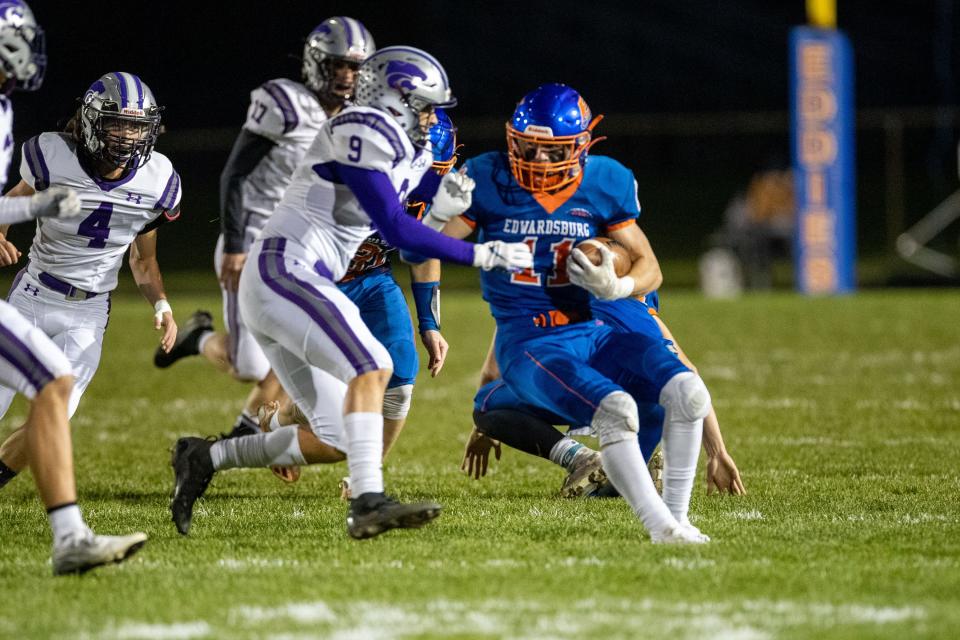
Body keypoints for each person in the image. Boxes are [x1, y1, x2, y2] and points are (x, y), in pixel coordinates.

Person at [168, 46, 533, 540]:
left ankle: (205, 456)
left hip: (294, 279)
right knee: (373, 366)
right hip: (287, 269)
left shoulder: (405, 147)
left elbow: (404, 231)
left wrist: (438, 213)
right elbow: (395, 228)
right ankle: (367, 502)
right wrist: (481, 255)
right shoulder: (359, 128)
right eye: (424, 106)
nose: (430, 118)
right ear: (393, 98)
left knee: (338, 438)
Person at [426, 83, 712, 543]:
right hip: (532, 341)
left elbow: (650, 266)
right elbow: (421, 247)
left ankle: (680, 521)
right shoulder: (487, 178)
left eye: (550, 149)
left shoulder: (604, 181)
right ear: (513, 141)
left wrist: (619, 284)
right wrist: (435, 219)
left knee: (690, 393)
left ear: (579, 148)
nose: (538, 160)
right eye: (530, 147)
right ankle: (661, 530)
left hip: (596, 330)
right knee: (616, 409)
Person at [154, 17, 376, 442]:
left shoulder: (357, 118)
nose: (347, 76)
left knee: (295, 341)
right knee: (249, 367)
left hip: (303, 247)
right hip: (255, 241)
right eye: (338, 66)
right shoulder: (285, 103)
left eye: (354, 68)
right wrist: (235, 245)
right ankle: (198, 337)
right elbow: (234, 175)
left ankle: (247, 431)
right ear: (316, 64)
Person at [0, 1, 147, 575]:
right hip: (36, 292)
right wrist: (35, 204)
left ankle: (70, 538)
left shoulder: (7, 111)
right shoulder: (36, 141)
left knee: (53, 384)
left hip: (88, 307)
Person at [0, 71, 182, 485]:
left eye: (138, 128)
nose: (127, 137)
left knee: (52, 420)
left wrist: (163, 306)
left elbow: (143, 260)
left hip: (87, 313)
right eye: (118, 124)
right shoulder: (53, 155)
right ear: (89, 121)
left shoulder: (158, 180)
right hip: (31, 296)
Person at [461, 292, 746, 498]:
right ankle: (637, 465)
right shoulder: (636, 298)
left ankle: (581, 458)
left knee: (488, 405)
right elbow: (688, 374)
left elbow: (492, 373)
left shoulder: (534, 283)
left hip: (576, 391)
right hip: (644, 411)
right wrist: (717, 452)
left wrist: (484, 425)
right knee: (611, 490)